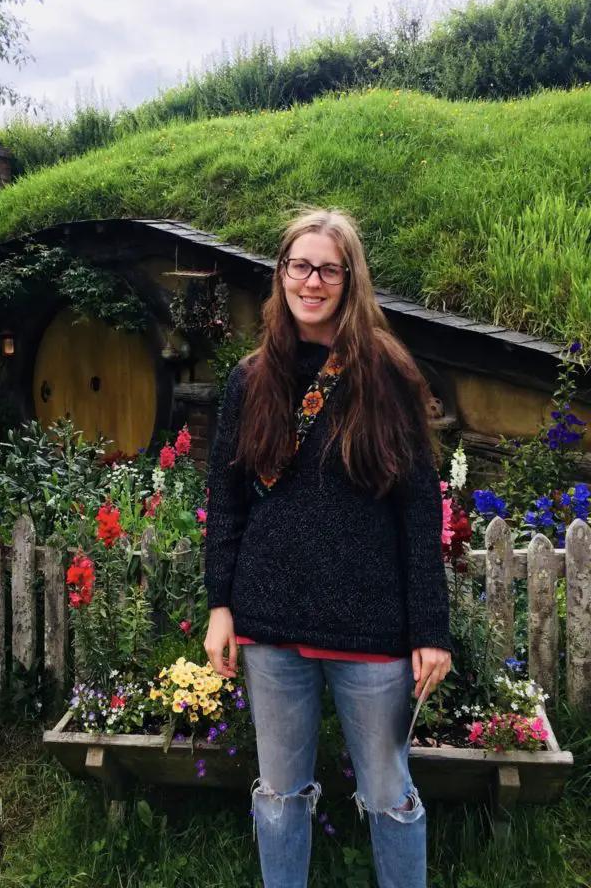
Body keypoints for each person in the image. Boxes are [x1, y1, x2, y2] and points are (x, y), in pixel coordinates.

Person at [203, 208, 452, 888]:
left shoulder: (388, 375)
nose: (311, 281)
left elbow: (419, 507)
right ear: (281, 273)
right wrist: (220, 606)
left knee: (388, 793)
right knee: (279, 794)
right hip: (270, 621)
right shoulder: (249, 379)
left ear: (350, 280)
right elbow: (225, 500)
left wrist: (429, 630)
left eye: (328, 269)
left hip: (371, 627)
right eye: (299, 266)